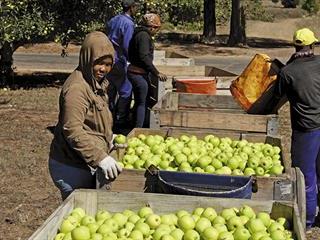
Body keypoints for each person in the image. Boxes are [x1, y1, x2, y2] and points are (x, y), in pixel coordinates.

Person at [48, 31, 122, 200]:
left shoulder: (95, 83)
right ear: (88, 59)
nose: (103, 69)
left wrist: (108, 137)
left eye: (108, 64)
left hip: (82, 162)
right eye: (99, 63)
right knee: (78, 212)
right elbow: (72, 129)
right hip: (71, 165)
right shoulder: (78, 88)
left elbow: (93, 119)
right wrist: (99, 157)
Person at [274, 28, 320, 229]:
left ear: (295, 45)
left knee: (305, 177)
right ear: (313, 45)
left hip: (306, 130)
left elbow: (278, 95)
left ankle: (307, 221)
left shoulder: (288, 72)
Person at [127, 13, 167, 128]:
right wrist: (156, 72)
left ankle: (135, 124)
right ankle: (138, 129)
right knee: (141, 103)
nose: (156, 31)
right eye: (157, 28)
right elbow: (143, 56)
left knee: (141, 101)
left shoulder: (139, 34)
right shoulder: (144, 36)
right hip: (138, 73)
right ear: (152, 27)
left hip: (135, 72)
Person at [106, 0, 138, 131]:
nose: (137, 9)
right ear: (131, 8)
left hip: (109, 58)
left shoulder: (114, 19)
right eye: (136, 7)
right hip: (120, 60)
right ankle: (120, 120)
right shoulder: (129, 24)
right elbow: (127, 45)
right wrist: (132, 60)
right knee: (125, 91)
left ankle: (107, 118)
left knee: (110, 90)